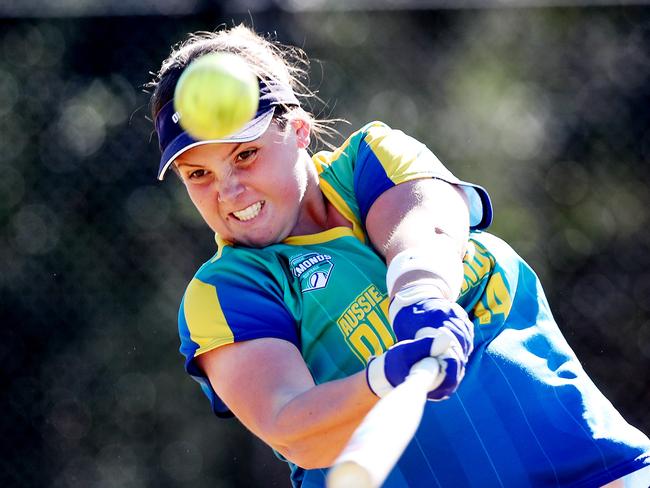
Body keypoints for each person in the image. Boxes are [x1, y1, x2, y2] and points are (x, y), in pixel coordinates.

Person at [147, 24, 650, 487]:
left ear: (298, 131)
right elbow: (293, 426)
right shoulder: (227, 291)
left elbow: (425, 227)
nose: (230, 191)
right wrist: (381, 378)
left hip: (606, 472)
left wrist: (420, 296)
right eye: (200, 175)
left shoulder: (373, 160)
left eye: (245, 154)